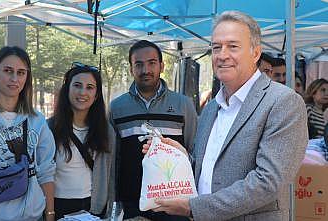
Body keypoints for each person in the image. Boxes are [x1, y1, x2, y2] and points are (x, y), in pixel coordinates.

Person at [143, 11, 308, 221]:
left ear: (256, 53)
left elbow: (268, 182)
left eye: (233, 46)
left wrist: (194, 208)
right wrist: (182, 159)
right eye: (216, 47)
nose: (222, 55)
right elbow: (210, 172)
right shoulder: (211, 108)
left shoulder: (283, 102)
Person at [110, 40, 197, 221]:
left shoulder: (183, 105)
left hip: (175, 204)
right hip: (132, 203)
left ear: (162, 66)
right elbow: (114, 159)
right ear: (131, 68)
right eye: (139, 64)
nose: (145, 70)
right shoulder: (116, 108)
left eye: (152, 63)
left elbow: (194, 152)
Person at [0, 46, 56, 221]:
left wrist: (50, 213)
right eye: (8, 71)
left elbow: (46, 171)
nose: (14, 78)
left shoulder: (36, 120)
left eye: (21, 72)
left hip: (33, 215)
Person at [48, 63, 115, 220]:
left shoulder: (106, 131)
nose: (82, 92)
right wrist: (48, 212)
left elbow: (111, 174)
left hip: (93, 207)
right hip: (58, 205)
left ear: (97, 95)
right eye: (77, 85)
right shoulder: (49, 128)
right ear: (68, 89)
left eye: (90, 87)